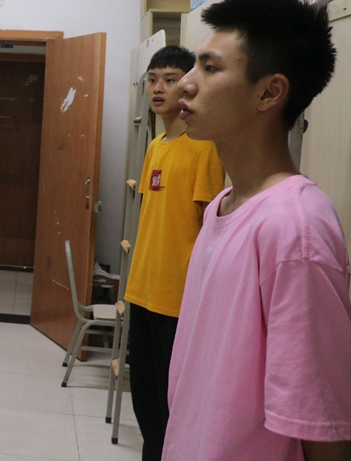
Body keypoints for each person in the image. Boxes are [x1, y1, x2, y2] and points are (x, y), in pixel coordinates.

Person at [163, 0, 351, 461]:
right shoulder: (224, 206)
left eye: (210, 68)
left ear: (269, 93)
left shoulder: (293, 228)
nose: (185, 84)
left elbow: (328, 432)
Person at [122, 45, 225, 461]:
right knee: (145, 401)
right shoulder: (154, 147)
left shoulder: (204, 147)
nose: (158, 88)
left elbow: (210, 229)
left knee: (172, 408)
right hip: (142, 290)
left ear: (188, 86)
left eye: (169, 79)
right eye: (152, 80)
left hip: (179, 299)